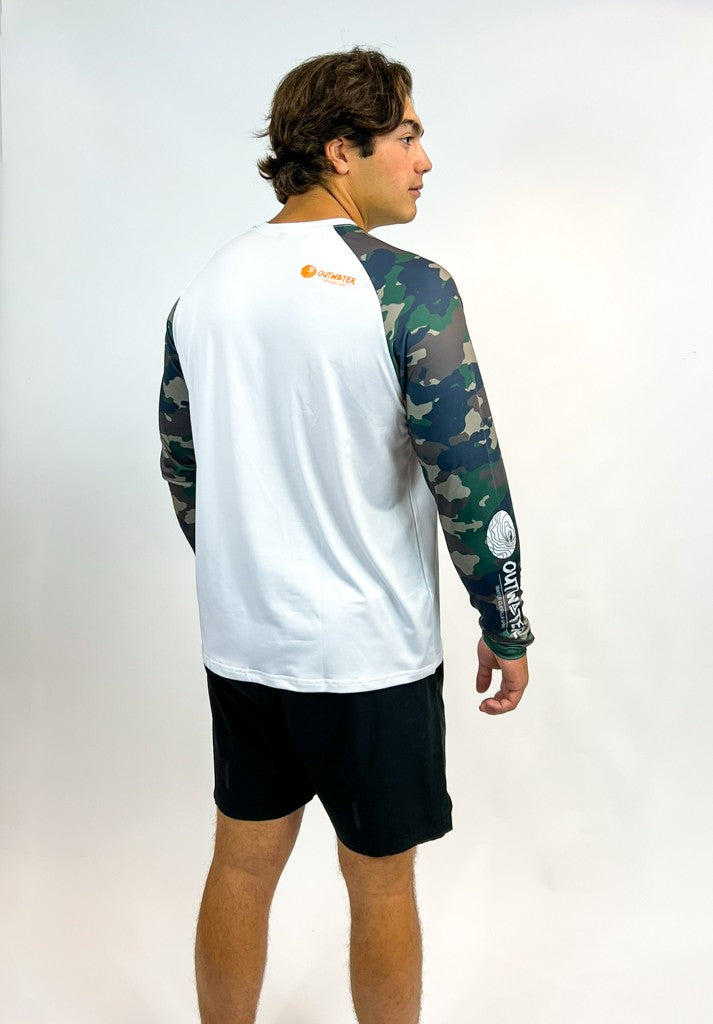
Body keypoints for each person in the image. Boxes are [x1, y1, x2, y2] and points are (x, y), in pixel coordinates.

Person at [159, 45, 534, 1024]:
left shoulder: (203, 291)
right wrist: (504, 620)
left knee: (240, 862)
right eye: (405, 135)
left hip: (244, 645)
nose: (423, 159)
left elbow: (182, 465)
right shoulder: (408, 287)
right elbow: (468, 472)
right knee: (379, 882)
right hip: (369, 655)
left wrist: (249, 570)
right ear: (340, 148)